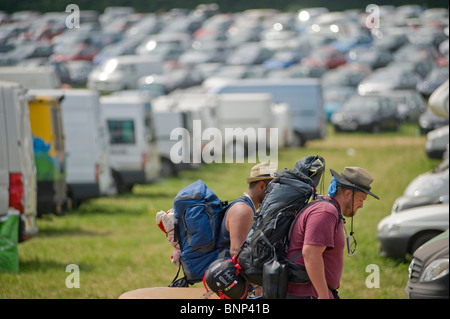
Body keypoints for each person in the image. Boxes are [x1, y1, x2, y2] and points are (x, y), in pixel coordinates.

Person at [286, 167, 379, 299]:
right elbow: (311, 254)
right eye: (361, 199)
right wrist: (323, 294)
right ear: (348, 194)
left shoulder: (329, 208)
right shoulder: (326, 212)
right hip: (307, 294)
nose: (361, 205)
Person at [216, 161, 277, 258]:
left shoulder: (248, 208)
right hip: (227, 271)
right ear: (261, 186)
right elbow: (236, 252)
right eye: (274, 188)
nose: (276, 193)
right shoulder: (243, 210)